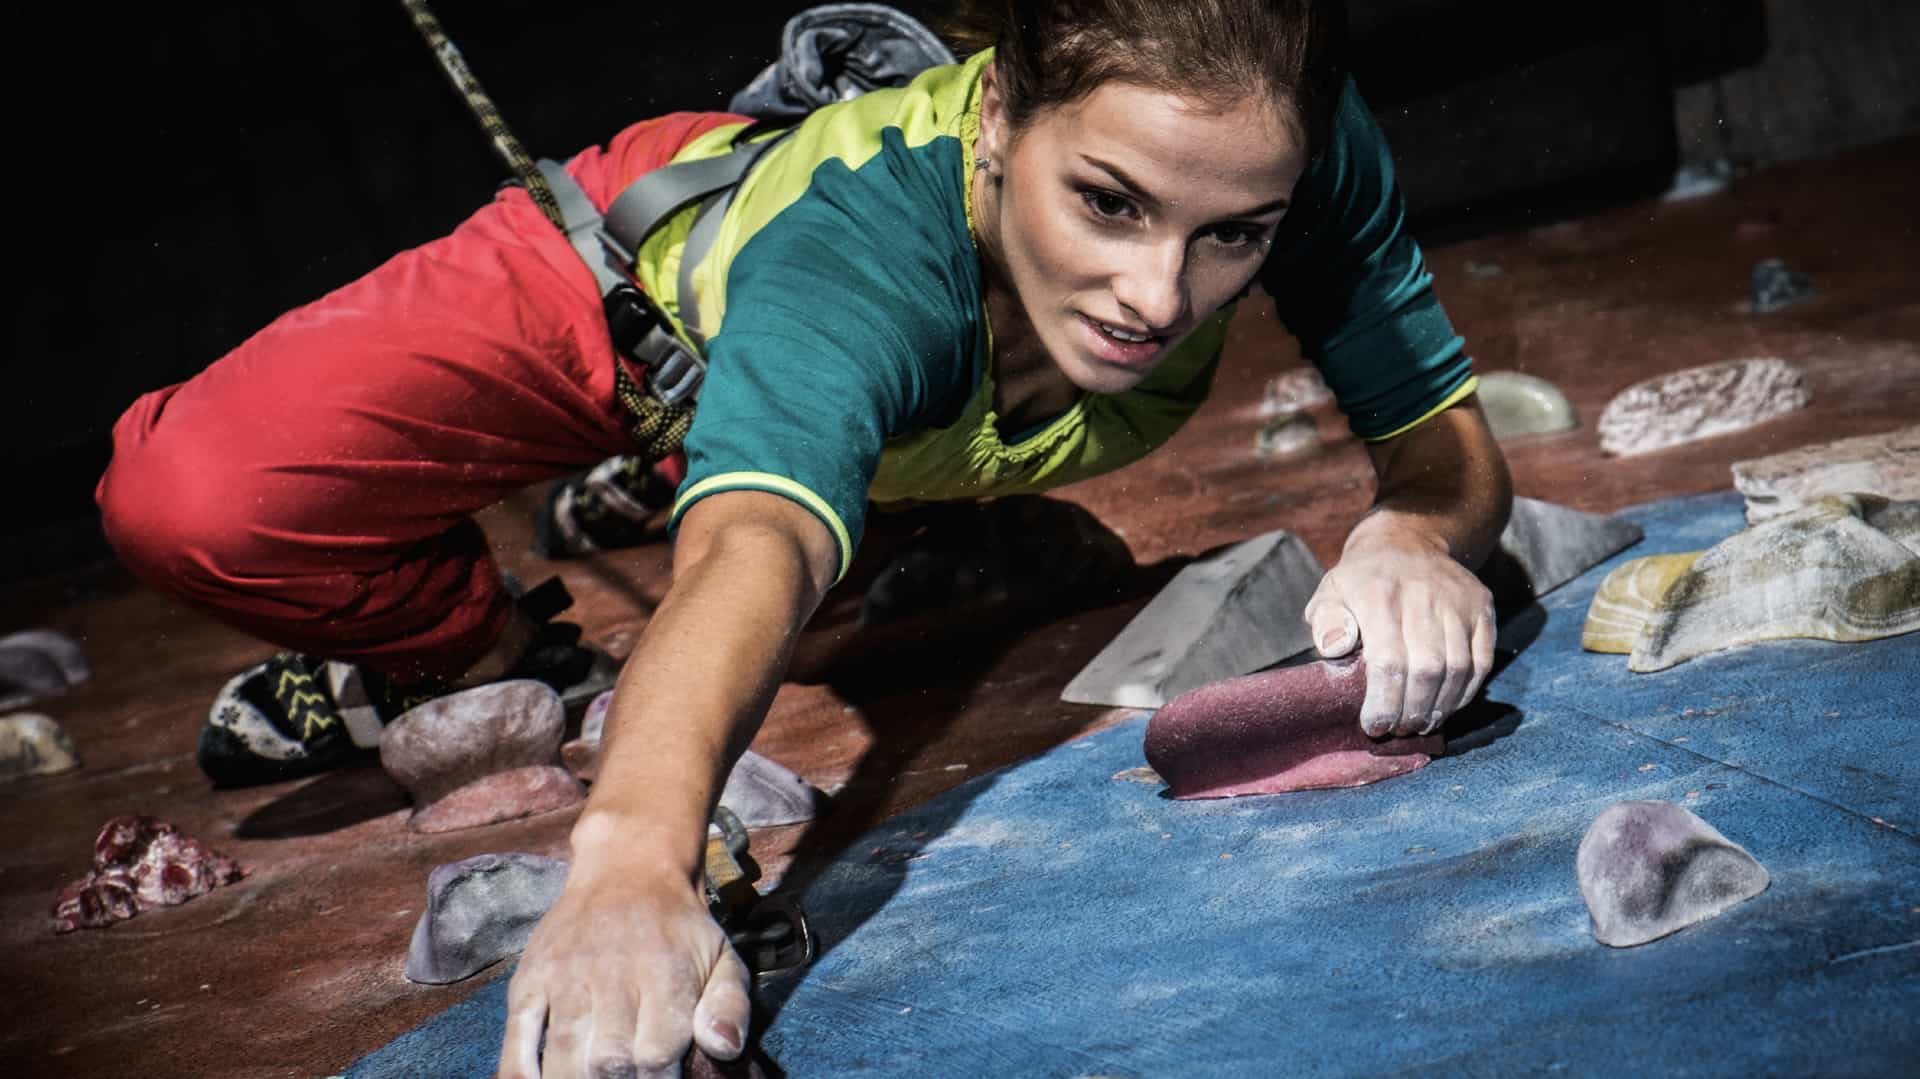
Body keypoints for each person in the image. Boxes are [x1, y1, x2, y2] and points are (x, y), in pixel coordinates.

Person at [94, 0, 1512, 1072]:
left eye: (1233, 240)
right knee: (193, 495)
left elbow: (1443, 442)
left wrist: (1413, 533)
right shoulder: (857, 255)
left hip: (879, 417)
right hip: (636, 311)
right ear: (1008, 115)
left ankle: (823, 494)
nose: (1157, 293)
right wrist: (635, 862)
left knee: (865, 520)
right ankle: (474, 641)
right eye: (1108, 202)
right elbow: (752, 554)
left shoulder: (1281, 141)